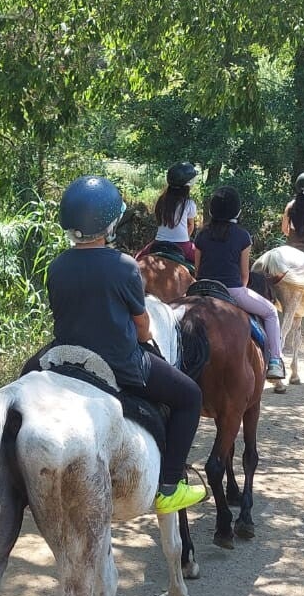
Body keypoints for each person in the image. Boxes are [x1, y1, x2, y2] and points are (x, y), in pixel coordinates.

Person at [48, 175, 206, 515]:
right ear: (110, 222)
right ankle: (169, 486)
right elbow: (142, 325)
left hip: (63, 358)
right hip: (119, 363)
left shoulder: (56, 266)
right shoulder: (124, 266)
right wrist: (146, 335)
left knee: (25, 378)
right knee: (190, 396)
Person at [193, 186, 286, 383]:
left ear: (211, 210)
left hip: (201, 290)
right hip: (232, 291)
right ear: (237, 211)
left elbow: (198, 271)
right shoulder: (243, 236)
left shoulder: (201, 235)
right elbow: (244, 275)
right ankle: (276, 361)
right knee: (270, 312)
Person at [153, 162, 199, 263]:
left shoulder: (161, 200)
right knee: (205, 261)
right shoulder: (189, 203)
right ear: (188, 185)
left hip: (158, 243)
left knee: (137, 258)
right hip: (182, 245)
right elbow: (190, 225)